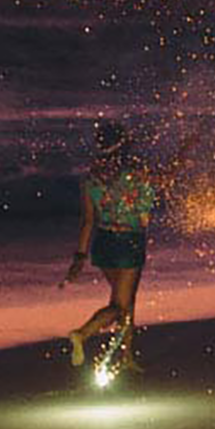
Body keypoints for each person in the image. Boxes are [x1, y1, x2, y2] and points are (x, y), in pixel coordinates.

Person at [60, 121, 194, 372]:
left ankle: (127, 356)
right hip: (129, 244)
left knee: (126, 301)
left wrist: (79, 257)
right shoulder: (136, 173)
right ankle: (82, 333)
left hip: (104, 244)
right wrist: (185, 150)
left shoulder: (91, 180)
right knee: (120, 306)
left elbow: (88, 221)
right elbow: (167, 179)